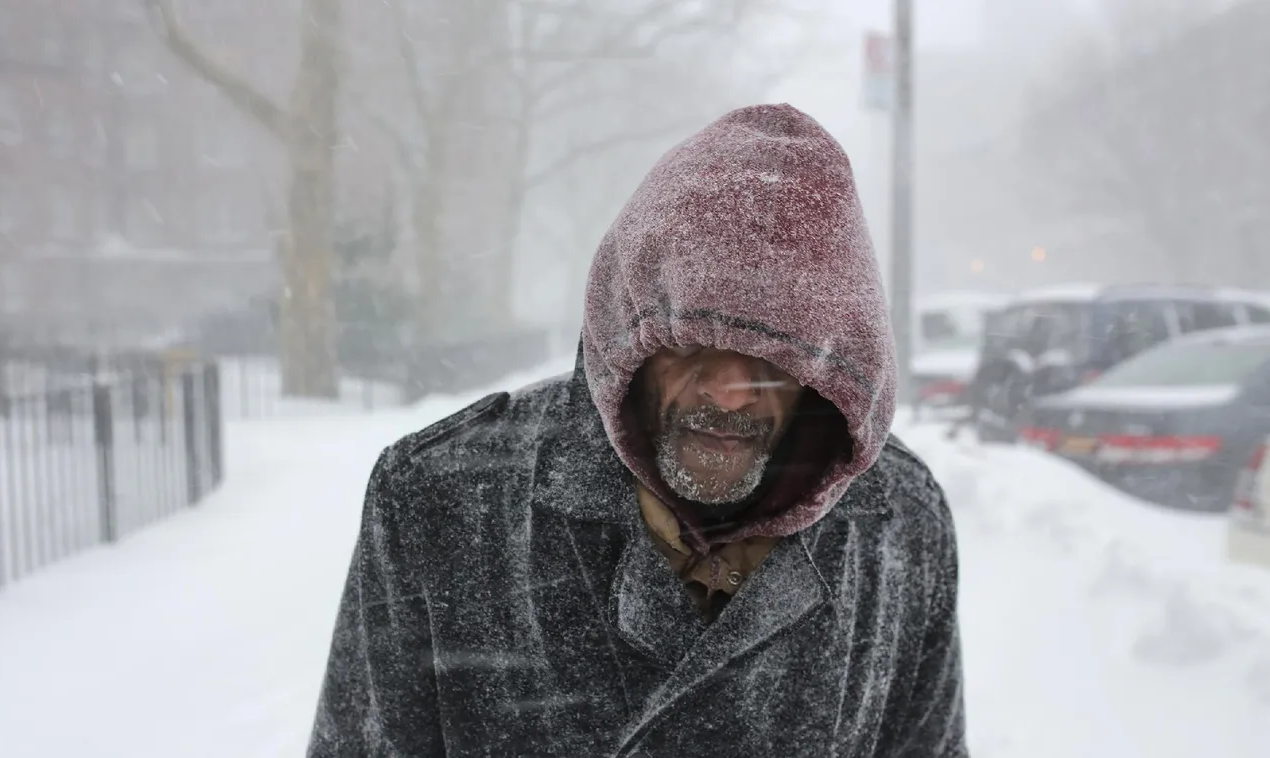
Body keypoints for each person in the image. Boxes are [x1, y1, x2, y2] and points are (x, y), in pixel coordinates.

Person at [308, 104, 966, 757]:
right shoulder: (446, 501)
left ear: (825, 367)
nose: (728, 392)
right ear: (629, 338)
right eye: (690, 344)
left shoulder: (898, 524)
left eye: (770, 357)